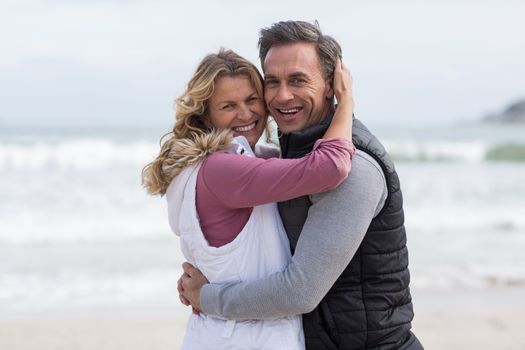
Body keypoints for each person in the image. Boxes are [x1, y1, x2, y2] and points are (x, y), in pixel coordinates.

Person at [179, 21, 424, 349]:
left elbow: (300, 291)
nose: (283, 96)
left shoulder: (354, 167)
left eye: (297, 80)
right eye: (272, 82)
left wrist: (208, 297)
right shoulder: (286, 157)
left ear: (330, 86)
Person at [142, 49, 355, 349]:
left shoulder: (204, 168)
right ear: (205, 114)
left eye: (252, 100)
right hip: (248, 339)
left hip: (215, 335)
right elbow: (331, 166)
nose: (245, 114)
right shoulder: (222, 170)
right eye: (229, 105)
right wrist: (345, 104)